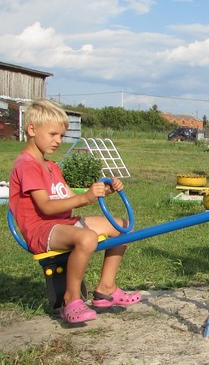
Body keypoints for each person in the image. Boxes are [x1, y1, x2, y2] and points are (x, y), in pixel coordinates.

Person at [9, 99, 140, 324]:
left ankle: (106, 288)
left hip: (61, 224)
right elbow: (45, 207)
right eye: (53, 134)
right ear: (32, 129)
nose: (58, 141)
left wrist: (102, 192)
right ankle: (71, 299)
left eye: (61, 136)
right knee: (87, 238)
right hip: (41, 230)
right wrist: (84, 198)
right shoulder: (27, 165)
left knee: (122, 227)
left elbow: (69, 199)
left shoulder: (51, 166)